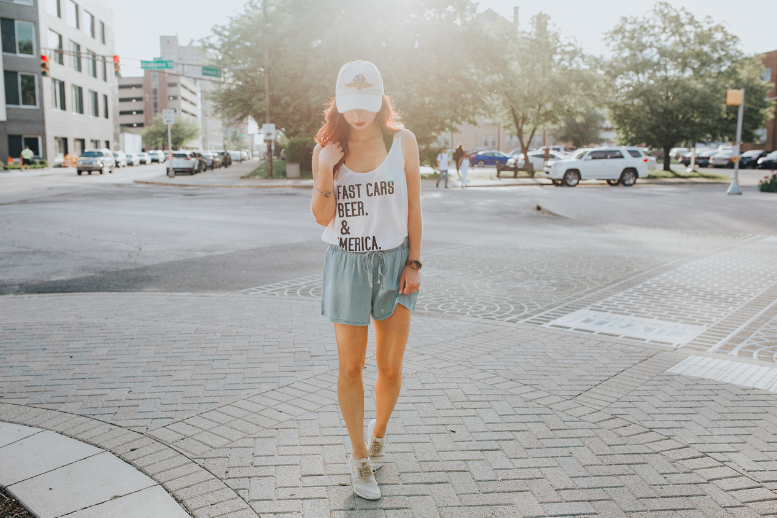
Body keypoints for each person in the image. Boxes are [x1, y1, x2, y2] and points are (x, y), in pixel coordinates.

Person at [310, 60, 422, 501]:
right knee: (351, 367)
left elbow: (414, 206)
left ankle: (377, 436)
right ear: (338, 102)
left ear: (381, 101)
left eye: (368, 105)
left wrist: (414, 262)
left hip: (395, 262)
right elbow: (322, 216)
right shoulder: (327, 147)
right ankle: (359, 458)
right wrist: (324, 169)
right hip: (347, 263)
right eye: (351, 105)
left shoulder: (404, 141)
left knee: (390, 367)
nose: (359, 114)